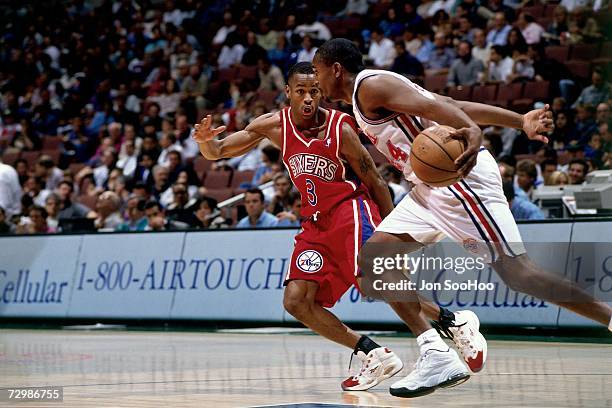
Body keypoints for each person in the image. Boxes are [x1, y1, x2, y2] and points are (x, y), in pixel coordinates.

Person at [312, 38, 612, 397]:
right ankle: (436, 349)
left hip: (457, 179)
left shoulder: (371, 85)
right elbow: (450, 105)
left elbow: (437, 105)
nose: (315, 82)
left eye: (316, 72)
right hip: (428, 188)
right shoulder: (366, 99)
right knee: (373, 260)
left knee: (520, 274)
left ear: (336, 69)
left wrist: (472, 129)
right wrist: (519, 121)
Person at [193, 62, 408, 391]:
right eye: (302, 92)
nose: (308, 98)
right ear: (288, 93)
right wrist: (205, 142)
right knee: (296, 301)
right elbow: (218, 151)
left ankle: (448, 326)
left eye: (314, 92)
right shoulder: (272, 126)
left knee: (375, 281)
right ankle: (372, 353)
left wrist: (394, 232)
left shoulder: (339, 127)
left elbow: (375, 180)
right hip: (315, 222)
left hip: (349, 209)